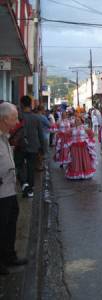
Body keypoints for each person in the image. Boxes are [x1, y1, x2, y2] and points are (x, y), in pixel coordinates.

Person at [0, 101, 28, 275]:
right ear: (4, 119)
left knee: (10, 225)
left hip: (9, 189)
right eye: (14, 118)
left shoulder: (4, 136)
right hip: (1, 191)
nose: (16, 122)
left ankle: (9, 256)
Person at [14, 96, 44, 198]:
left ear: (22, 104)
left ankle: (24, 183)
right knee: (31, 168)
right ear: (30, 104)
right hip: (33, 146)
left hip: (20, 146)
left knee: (19, 165)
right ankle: (30, 189)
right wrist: (43, 148)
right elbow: (41, 134)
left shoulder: (18, 116)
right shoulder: (36, 117)